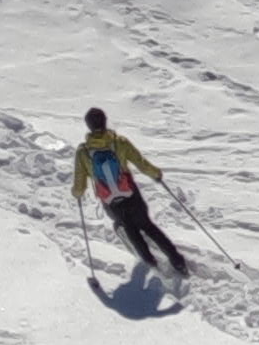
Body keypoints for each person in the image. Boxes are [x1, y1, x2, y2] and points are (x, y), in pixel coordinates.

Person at [71, 107, 189, 281]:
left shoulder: (83, 152)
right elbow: (141, 163)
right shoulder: (120, 142)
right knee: (148, 226)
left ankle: (152, 265)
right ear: (105, 121)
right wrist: (156, 174)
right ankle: (178, 262)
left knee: (130, 229)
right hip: (130, 193)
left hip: (110, 201)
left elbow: (79, 184)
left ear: (88, 126)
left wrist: (77, 193)